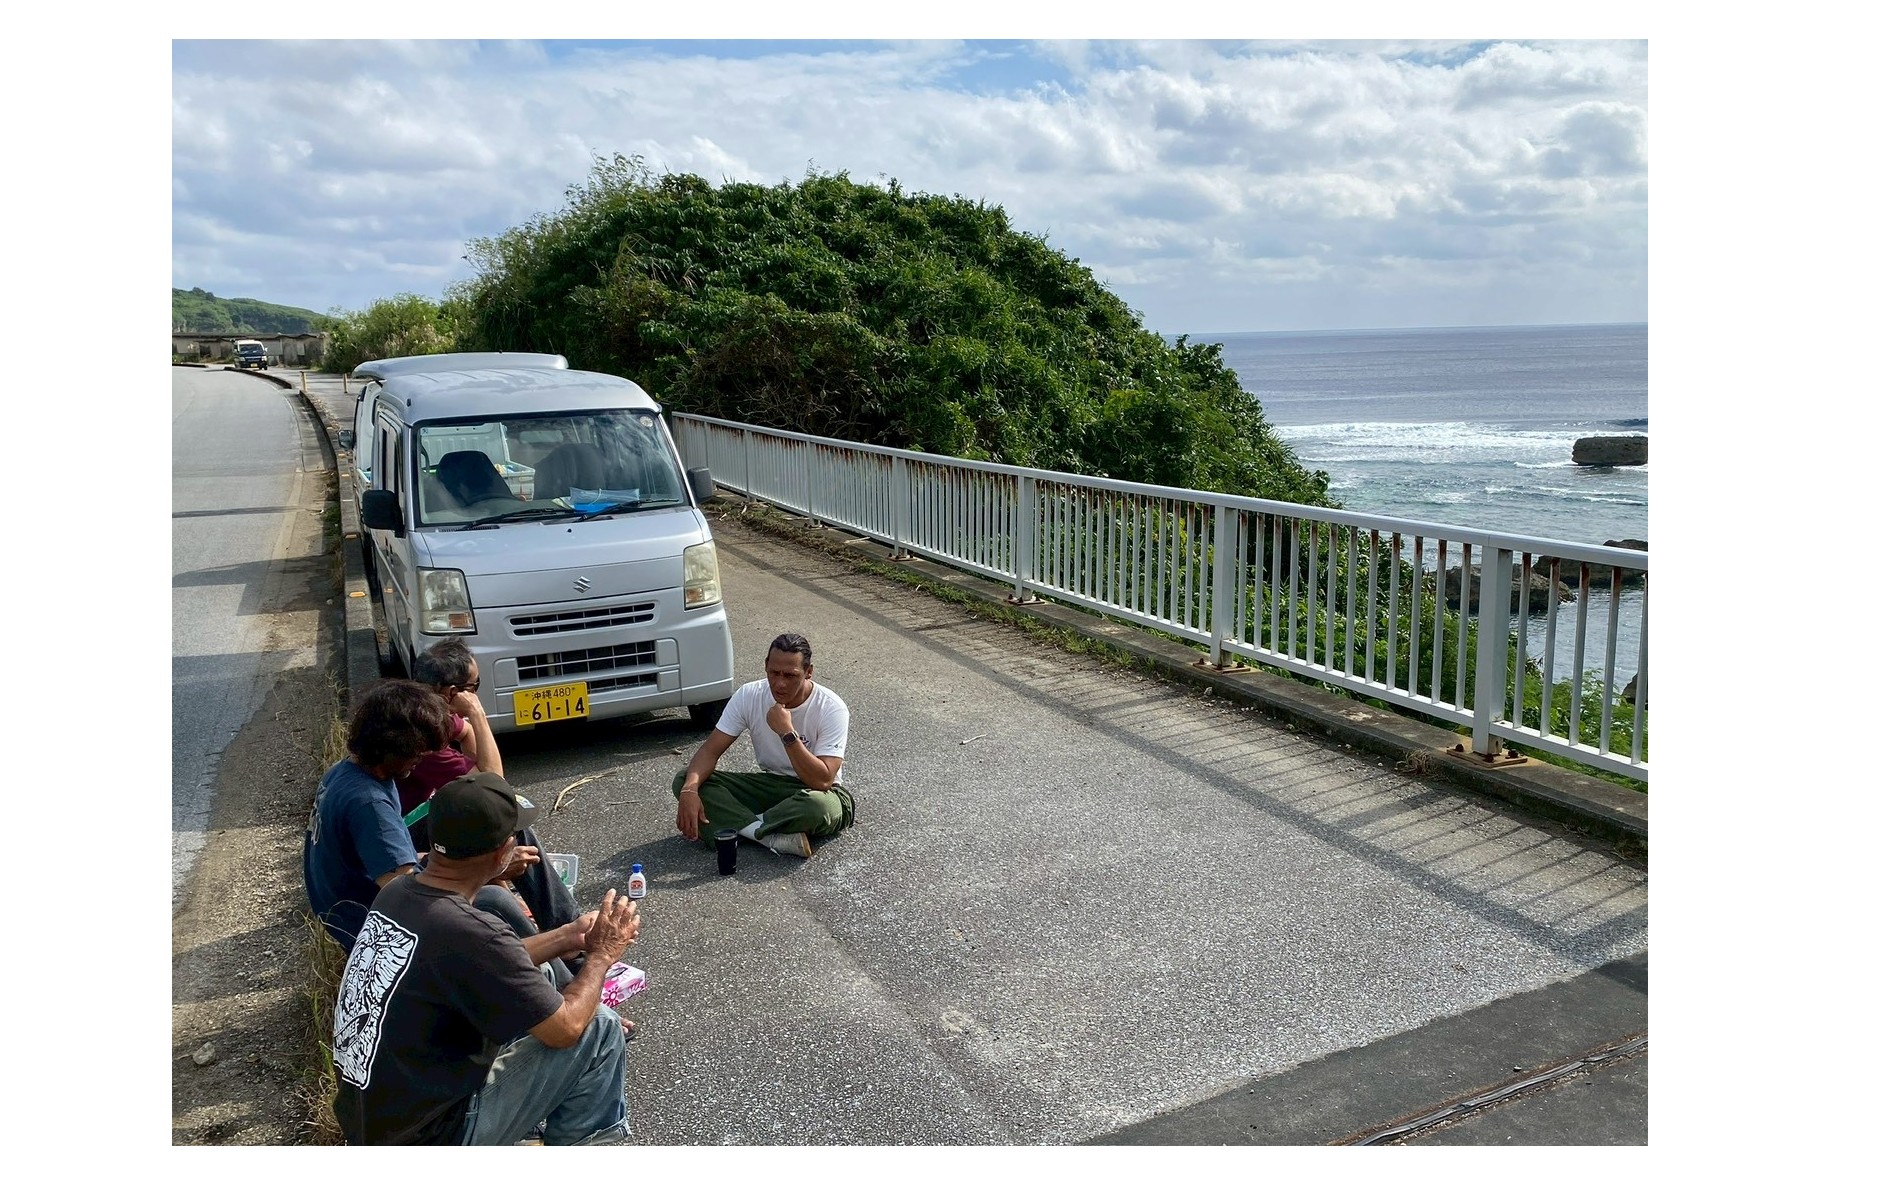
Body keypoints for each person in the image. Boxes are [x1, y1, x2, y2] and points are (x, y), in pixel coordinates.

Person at [331, 772, 640, 1145]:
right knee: (599, 1028)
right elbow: (567, 1029)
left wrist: (567, 936)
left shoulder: (398, 893)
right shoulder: (470, 931)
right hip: (434, 1139)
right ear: (503, 852)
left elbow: (489, 961)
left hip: (374, 1126)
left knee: (534, 966)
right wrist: (602, 955)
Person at [672, 632, 854, 859]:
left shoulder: (831, 707)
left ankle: (740, 827)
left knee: (818, 808)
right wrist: (690, 790)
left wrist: (787, 733)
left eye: (790, 675)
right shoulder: (749, 695)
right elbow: (710, 750)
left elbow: (823, 779)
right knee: (685, 779)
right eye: (774, 673)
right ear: (766, 666)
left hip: (819, 792)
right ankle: (769, 835)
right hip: (771, 786)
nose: (779, 683)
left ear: (809, 672)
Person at [304, 681, 452, 952]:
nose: (421, 759)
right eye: (416, 754)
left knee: (486, 821)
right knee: (493, 899)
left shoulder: (343, 771)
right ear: (391, 746)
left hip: (347, 896)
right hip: (371, 924)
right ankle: (551, 964)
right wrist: (480, 871)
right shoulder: (369, 804)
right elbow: (406, 897)